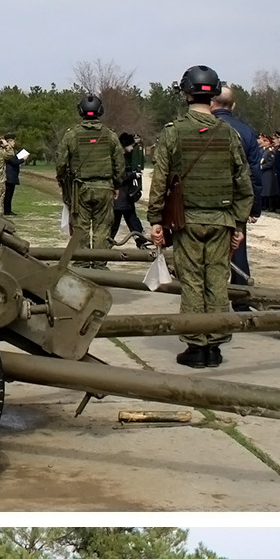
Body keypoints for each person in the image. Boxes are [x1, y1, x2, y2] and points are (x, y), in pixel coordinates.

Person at [145, 67, 253, 368]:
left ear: (184, 93)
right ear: (215, 93)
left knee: (191, 280)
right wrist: (239, 224)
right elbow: (243, 183)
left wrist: (156, 220)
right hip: (222, 221)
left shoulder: (173, 132)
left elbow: (161, 180)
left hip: (186, 220)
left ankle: (196, 346)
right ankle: (214, 346)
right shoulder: (229, 134)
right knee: (217, 280)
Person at [57, 95, 125, 249]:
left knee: (81, 228)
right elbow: (119, 163)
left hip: (80, 189)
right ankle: (100, 265)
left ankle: (82, 262)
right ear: (100, 111)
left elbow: (61, 162)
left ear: (81, 111)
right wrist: (117, 185)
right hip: (105, 188)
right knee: (103, 228)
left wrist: (61, 181)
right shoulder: (110, 135)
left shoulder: (71, 135)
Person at [212, 86, 263, 287]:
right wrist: (254, 207)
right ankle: (240, 298)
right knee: (238, 249)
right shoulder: (246, 132)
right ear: (233, 105)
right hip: (235, 201)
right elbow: (254, 174)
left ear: (211, 103)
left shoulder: (201, 126)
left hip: (202, 198)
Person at [112, 133, 147, 245]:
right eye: (131, 145)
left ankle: (141, 241)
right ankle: (141, 242)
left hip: (124, 195)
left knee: (129, 220)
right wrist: (132, 175)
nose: (132, 148)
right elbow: (119, 176)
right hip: (121, 195)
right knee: (121, 222)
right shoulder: (118, 158)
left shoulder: (122, 156)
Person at [2, 136, 25, 218]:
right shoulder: (7, 151)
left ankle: (8, 209)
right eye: (13, 141)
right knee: (8, 194)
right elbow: (13, 162)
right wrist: (23, 159)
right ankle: (6, 210)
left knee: (10, 194)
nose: (14, 143)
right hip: (9, 175)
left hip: (12, 175)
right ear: (9, 142)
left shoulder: (11, 151)